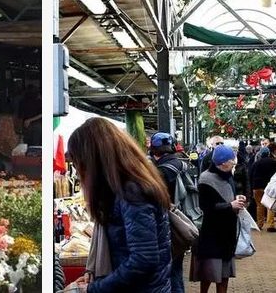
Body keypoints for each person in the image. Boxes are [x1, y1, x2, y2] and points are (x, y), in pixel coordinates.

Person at [67, 118, 171, 293]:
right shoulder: (127, 184)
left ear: (93, 159)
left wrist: (94, 289)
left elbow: (143, 259)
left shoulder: (131, 190)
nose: (79, 172)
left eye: (79, 164)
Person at [190, 145, 245, 293]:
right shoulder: (206, 179)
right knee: (208, 273)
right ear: (222, 163)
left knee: (224, 274)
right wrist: (230, 205)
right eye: (231, 160)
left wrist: (237, 199)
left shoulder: (229, 175)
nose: (234, 163)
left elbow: (229, 196)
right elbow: (206, 207)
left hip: (228, 233)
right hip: (212, 233)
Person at [149, 132, 187, 293]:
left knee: (170, 272)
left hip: (169, 224)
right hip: (181, 221)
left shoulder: (163, 171)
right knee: (176, 270)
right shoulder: (180, 164)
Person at [251, 144, 276, 232]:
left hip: (257, 187)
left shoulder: (256, 163)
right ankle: (270, 225)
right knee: (270, 205)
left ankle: (259, 224)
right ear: (269, 153)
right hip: (268, 187)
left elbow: (250, 174)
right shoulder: (273, 162)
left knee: (259, 205)